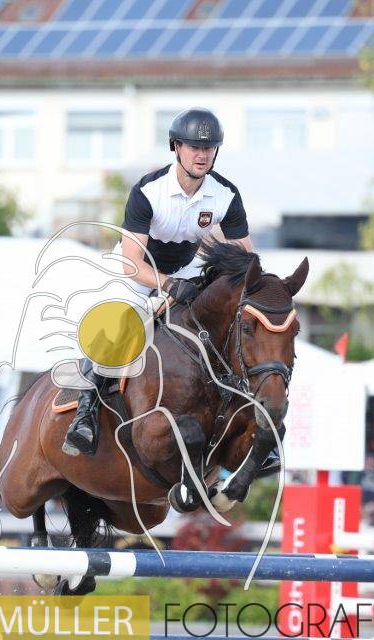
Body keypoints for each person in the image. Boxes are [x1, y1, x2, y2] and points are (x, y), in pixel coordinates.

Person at [63, 106, 253, 457]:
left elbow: (246, 260)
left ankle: (249, 419)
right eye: (194, 147)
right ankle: (84, 414)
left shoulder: (226, 195)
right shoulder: (149, 191)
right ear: (176, 147)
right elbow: (132, 263)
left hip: (186, 269)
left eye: (208, 148)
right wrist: (168, 285)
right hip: (137, 271)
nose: (202, 155)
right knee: (117, 322)